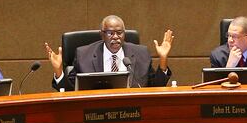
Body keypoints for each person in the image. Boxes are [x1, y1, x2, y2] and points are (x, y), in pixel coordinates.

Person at [46, 15, 174, 91]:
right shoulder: (84, 55)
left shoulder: (141, 54)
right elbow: (70, 92)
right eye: (110, 33)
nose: (115, 37)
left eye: (119, 33)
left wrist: (163, 60)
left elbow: (156, 88)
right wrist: (58, 71)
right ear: (102, 35)